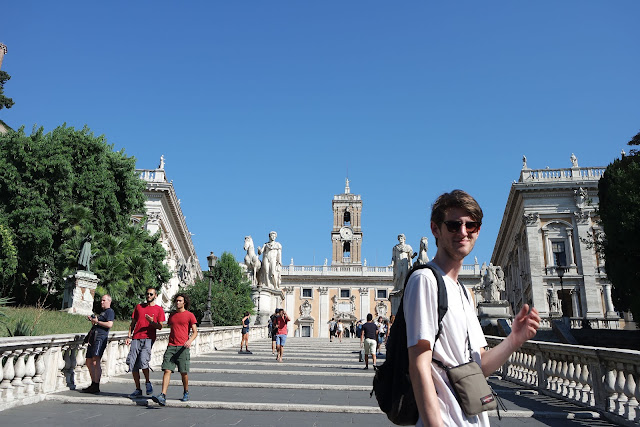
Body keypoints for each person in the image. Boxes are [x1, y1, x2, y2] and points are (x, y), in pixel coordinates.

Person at [405, 190, 540, 426]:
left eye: (472, 226)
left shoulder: (464, 293)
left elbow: (480, 366)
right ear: (435, 229)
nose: (463, 232)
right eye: (454, 225)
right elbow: (419, 364)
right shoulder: (426, 280)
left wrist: (514, 340)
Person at [152, 293, 198, 406]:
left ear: (184, 302)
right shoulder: (172, 315)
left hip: (183, 348)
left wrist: (189, 340)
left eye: (180, 301)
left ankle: (186, 391)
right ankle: (163, 395)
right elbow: (162, 327)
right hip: (171, 346)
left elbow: (195, 332)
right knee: (167, 370)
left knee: (183, 372)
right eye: (176, 301)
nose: (177, 302)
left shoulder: (190, 315)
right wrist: (152, 322)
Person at [126, 287, 165, 398]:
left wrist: (152, 322)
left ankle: (147, 382)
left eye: (151, 294)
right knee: (133, 363)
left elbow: (160, 326)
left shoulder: (159, 309)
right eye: (147, 294)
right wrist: (129, 336)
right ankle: (138, 389)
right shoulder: (139, 307)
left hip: (148, 338)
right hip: (136, 337)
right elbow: (132, 323)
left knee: (143, 361)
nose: (148, 296)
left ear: (155, 296)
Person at [82, 294, 114, 394]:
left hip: (100, 338)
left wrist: (97, 321)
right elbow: (98, 323)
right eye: (101, 300)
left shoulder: (110, 311)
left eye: (104, 300)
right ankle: (93, 383)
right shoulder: (103, 312)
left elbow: (109, 324)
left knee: (96, 360)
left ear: (109, 301)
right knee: (88, 360)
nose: (102, 302)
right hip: (94, 337)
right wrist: (94, 320)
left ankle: (96, 385)